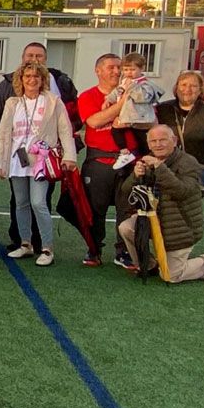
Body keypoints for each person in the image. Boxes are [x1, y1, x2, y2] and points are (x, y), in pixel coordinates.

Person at [0, 62, 76, 266]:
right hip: (16, 159)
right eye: (27, 76)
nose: (32, 80)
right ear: (20, 79)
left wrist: (70, 156)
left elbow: (65, 130)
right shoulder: (12, 102)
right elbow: (4, 134)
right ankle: (25, 244)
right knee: (20, 203)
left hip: (42, 160)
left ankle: (47, 248)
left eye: (36, 77)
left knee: (38, 202)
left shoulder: (53, 101)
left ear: (42, 80)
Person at [118, 125, 204, 283]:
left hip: (181, 227)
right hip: (155, 221)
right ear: (148, 144)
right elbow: (125, 192)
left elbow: (182, 191)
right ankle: (148, 265)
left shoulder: (188, 162)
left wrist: (159, 167)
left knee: (170, 275)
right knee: (126, 228)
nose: (158, 144)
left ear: (174, 141)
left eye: (163, 140)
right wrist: (135, 176)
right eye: (153, 141)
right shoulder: (147, 160)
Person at [78, 53, 134, 268]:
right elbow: (94, 120)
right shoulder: (88, 96)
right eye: (111, 67)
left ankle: (124, 251)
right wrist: (122, 105)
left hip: (128, 160)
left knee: (127, 209)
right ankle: (94, 249)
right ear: (98, 70)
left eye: (119, 67)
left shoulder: (134, 92)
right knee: (95, 209)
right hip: (99, 160)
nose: (117, 71)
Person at [156, 70, 204, 191]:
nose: (187, 89)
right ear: (176, 88)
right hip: (167, 169)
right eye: (183, 85)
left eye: (193, 86)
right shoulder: (163, 110)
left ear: (200, 90)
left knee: (193, 207)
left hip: (198, 171)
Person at [107, 52, 162, 161]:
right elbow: (118, 91)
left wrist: (131, 87)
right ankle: (124, 152)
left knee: (141, 138)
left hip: (140, 117)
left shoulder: (145, 84)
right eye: (126, 70)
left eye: (132, 70)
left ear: (141, 69)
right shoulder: (125, 81)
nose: (129, 73)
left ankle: (148, 157)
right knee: (116, 130)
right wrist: (108, 99)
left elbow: (143, 97)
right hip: (128, 115)